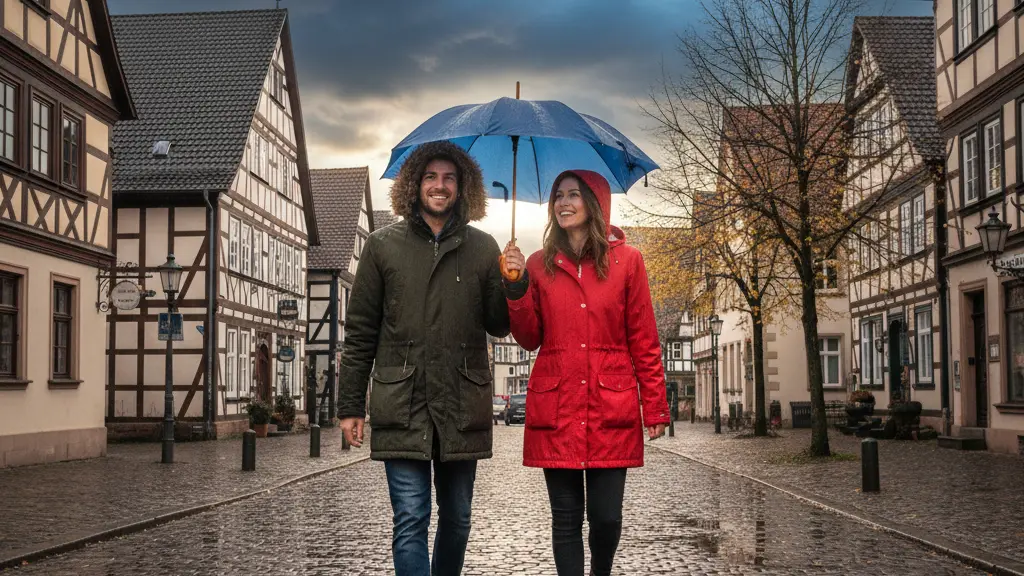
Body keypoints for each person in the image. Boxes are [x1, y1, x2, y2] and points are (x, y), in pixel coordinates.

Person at [338, 141, 510, 576]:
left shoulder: (484, 247)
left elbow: (500, 325)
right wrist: (349, 407)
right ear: (415, 184)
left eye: (449, 177)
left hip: (460, 403)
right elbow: (359, 333)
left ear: (463, 186)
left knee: (458, 520)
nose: (440, 185)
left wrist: (513, 281)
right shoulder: (381, 247)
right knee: (410, 519)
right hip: (403, 402)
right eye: (431, 177)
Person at [500, 169, 669, 576]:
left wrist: (657, 407)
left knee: (606, 518)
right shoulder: (539, 265)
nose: (563, 202)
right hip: (557, 404)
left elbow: (644, 339)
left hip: (611, 402)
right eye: (558, 195)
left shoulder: (628, 262)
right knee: (565, 518)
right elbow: (528, 338)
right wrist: (517, 287)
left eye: (574, 194)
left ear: (595, 203)